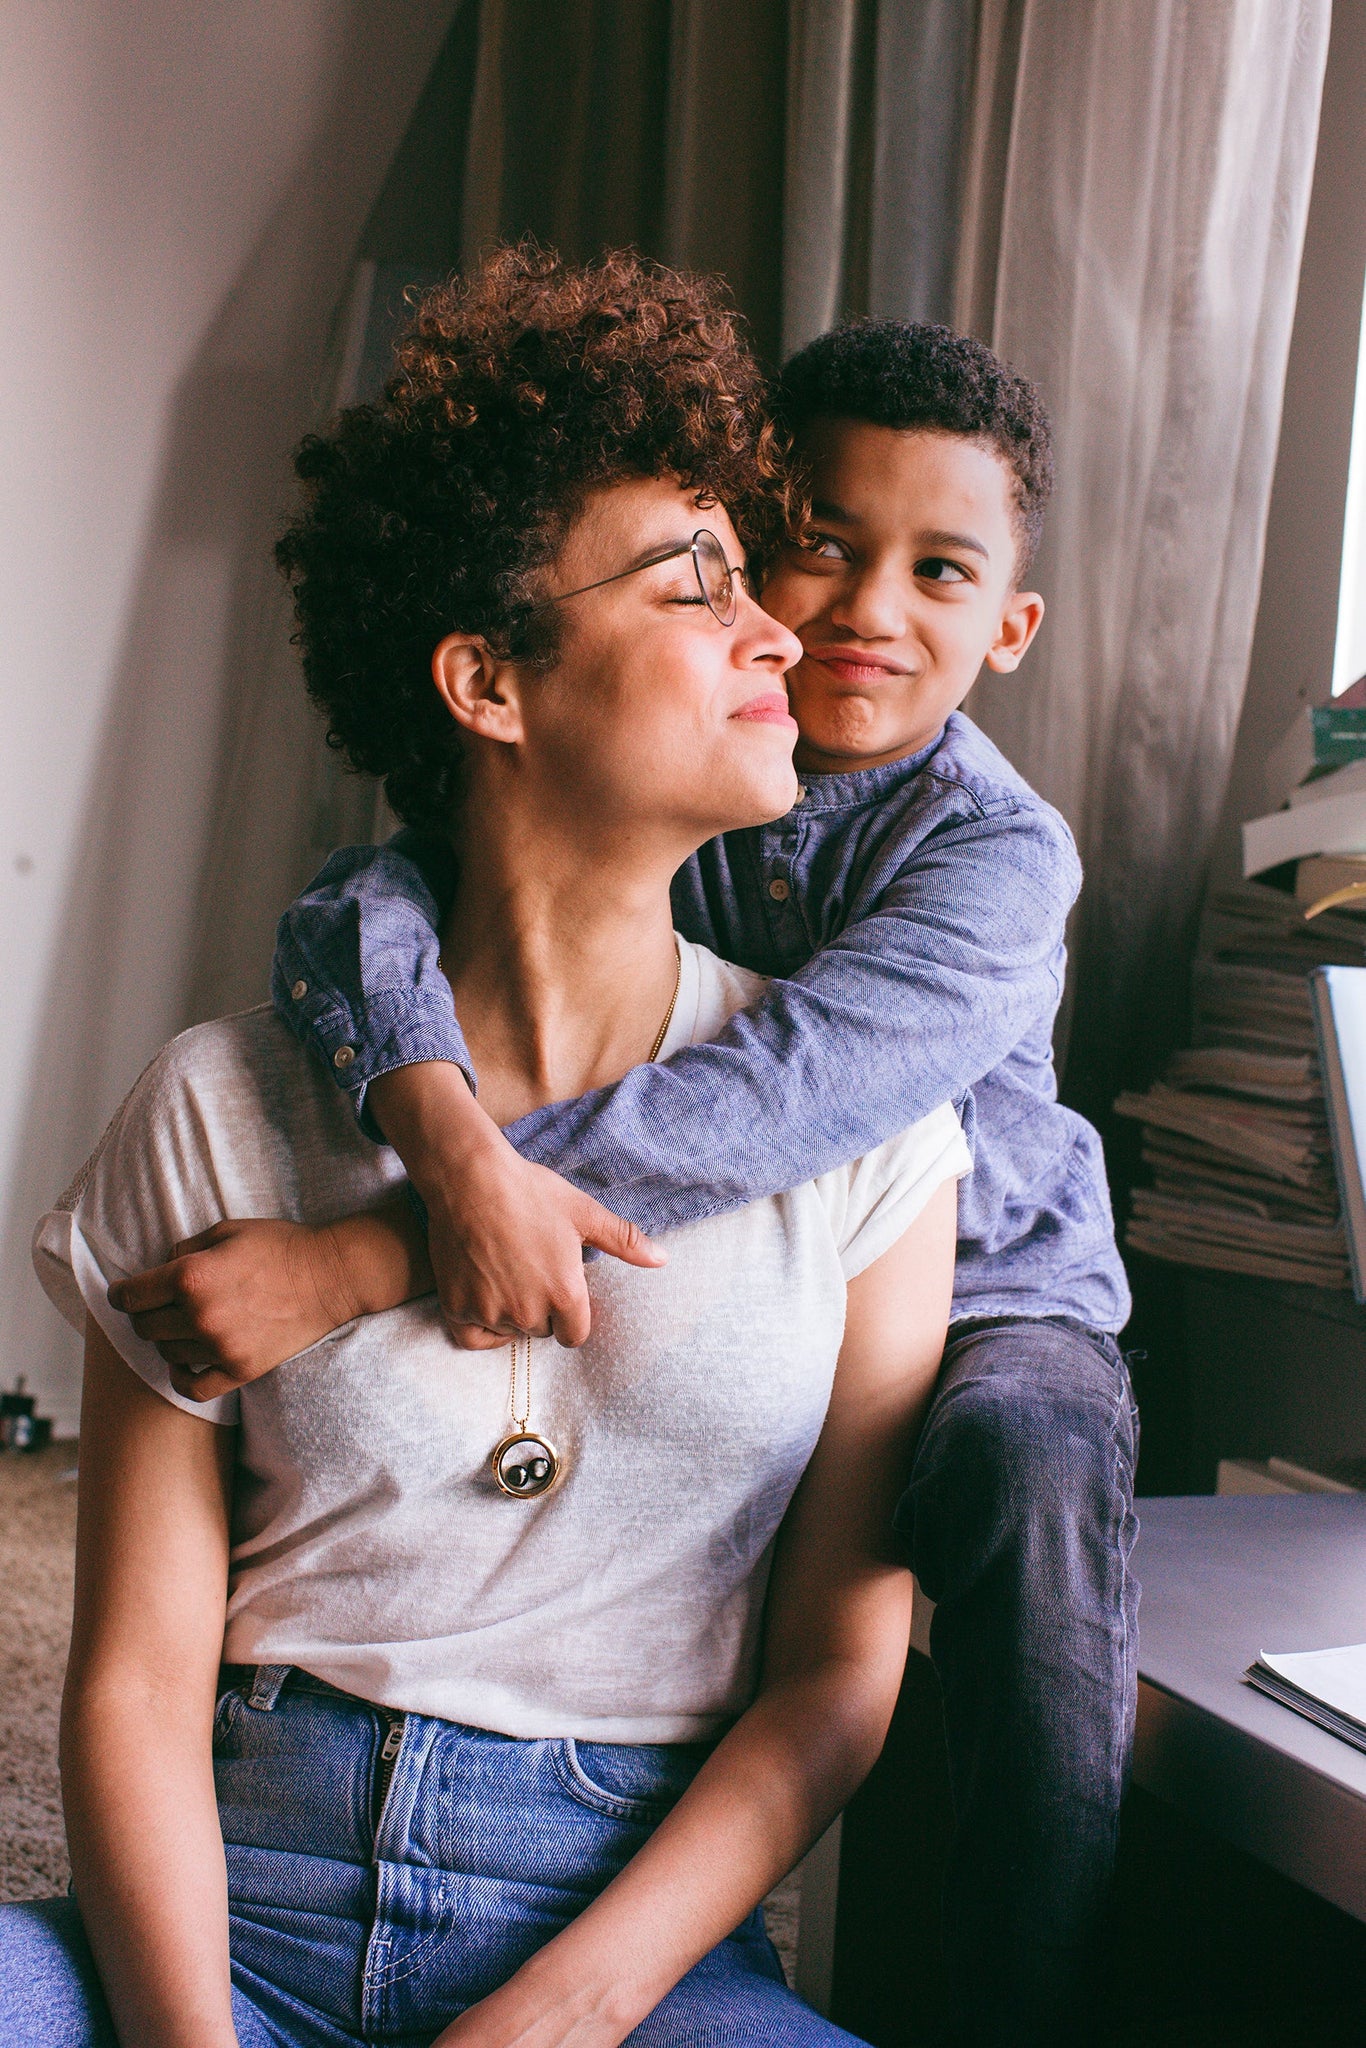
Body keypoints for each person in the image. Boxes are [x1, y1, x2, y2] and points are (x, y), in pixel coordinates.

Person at [122, 312, 1139, 2044]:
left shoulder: (987, 867)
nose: (821, 623)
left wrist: (368, 1257)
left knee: (1026, 1481)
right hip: (256, 1880)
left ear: (1012, 623)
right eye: (766, 560)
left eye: (936, 571)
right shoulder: (235, 1086)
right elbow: (361, 905)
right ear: (488, 685)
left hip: (993, 1282)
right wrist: (438, 1132)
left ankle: (1025, 1992)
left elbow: (785, 1096)